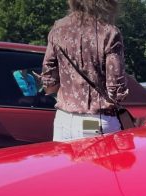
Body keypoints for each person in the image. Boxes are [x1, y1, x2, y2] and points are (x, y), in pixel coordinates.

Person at [41, 0, 128, 142]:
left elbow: (49, 81)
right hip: (94, 120)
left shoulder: (58, 29)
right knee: (97, 164)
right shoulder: (109, 32)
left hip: (63, 120)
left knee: (65, 165)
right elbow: (116, 90)